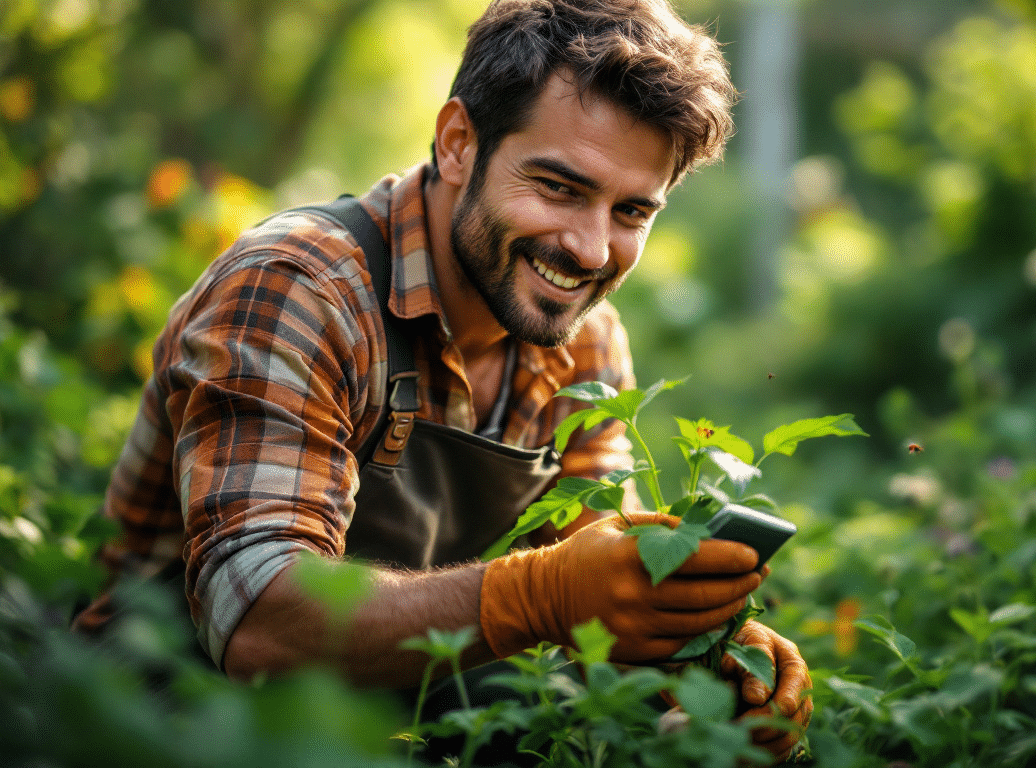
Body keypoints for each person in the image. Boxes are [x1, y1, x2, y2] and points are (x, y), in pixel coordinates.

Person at [74, 0, 812, 761]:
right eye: (559, 187)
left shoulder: (583, 338)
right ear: (459, 143)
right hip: (163, 716)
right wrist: (539, 595)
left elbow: (596, 565)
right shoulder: (300, 287)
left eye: (630, 210)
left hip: (396, 714)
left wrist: (697, 650)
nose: (592, 250)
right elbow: (256, 623)